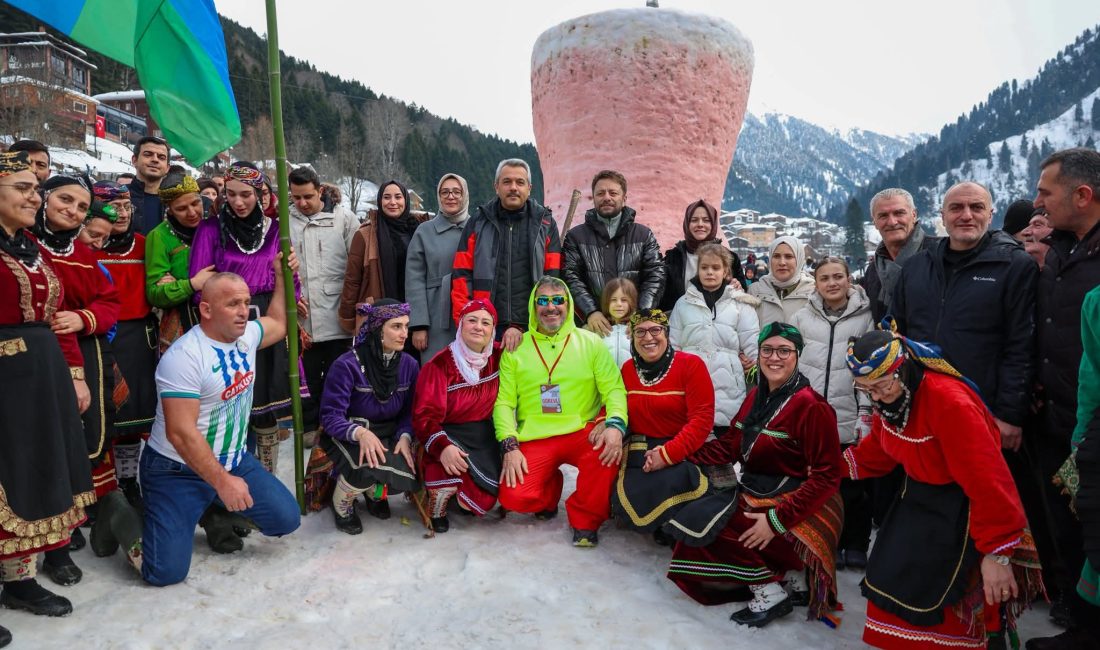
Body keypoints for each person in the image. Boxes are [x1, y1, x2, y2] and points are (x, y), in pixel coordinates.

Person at [843, 330, 1043, 649]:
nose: (876, 397)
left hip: (964, 509)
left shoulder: (950, 402)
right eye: (866, 390)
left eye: (881, 387)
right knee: (889, 581)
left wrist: (997, 554)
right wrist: (838, 465)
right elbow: (881, 450)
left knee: (942, 600)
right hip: (917, 501)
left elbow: (988, 480)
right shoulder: (893, 399)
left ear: (902, 369)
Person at [139, 256, 301, 586]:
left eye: (245, 302)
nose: (244, 311)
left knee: (286, 519)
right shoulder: (185, 356)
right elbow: (181, 433)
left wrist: (282, 277)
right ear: (207, 310)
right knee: (165, 574)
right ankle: (121, 520)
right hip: (177, 469)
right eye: (232, 304)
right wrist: (222, 482)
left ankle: (213, 507)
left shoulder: (246, 337)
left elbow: (279, 323)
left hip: (234, 460)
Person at [667, 322, 842, 628]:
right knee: (698, 519)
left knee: (714, 526)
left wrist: (777, 521)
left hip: (800, 501)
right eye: (767, 350)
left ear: (798, 355)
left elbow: (827, 477)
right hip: (760, 491)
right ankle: (788, 573)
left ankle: (769, 590)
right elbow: (729, 447)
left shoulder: (812, 406)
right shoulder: (755, 397)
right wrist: (678, 456)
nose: (775, 357)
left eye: (784, 351)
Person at [0, 152, 93, 632]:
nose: (33, 197)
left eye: (35, 189)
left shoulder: (30, 245)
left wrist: (73, 373)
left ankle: (19, 579)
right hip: (4, 379)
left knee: (30, 475)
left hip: (41, 376)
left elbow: (56, 319)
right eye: (22, 188)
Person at [31, 174, 121, 586]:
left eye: (81, 206)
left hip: (77, 354)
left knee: (67, 449)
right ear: (44, 198)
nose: (72, 210)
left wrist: (84, 318)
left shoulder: (84, 256)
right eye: (65, 200)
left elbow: (109, 301)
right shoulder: (24, 247)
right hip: (29, 360)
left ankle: (58, 544)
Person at [494, 277, 628, 547]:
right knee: (514, 497)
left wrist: (615, 424)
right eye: (542, 301)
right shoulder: (516, 347)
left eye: (558, 300)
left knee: (606, 452)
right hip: (537, 435)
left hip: (582, 431)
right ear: (533, 306)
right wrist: (509, 444)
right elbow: (504, 403)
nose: (551, 307)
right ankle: (548, 489)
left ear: (568, 304)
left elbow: (614, 389)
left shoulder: (590, 342)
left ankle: (585, 520)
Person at [1028, 148, 1100, 648]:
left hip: (1094, 426)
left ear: (1082, 194)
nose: (1037, 203)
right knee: (1070, 532)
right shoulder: (1060, 249)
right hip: (1057, 418)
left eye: (1045, 192)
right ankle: (1081, 625)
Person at [189, 162, 299, 474]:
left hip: (267, 319)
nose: (238, 202)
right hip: (224, 323)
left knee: (262, 408)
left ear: (259, 194)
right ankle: (225, 478)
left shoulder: (277, 231)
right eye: (231, 194)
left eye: (246, 195)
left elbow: (291, 285)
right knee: (229, 403)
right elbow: (200, 285)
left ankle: (265, 479)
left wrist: (290, 273)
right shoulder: (210, 231)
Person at [789, 256, 873, 569]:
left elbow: (870, 371)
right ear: (817, 283)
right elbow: (791, 366)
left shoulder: (865, 318)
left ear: (849, 279)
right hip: (812, 416)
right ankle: (828, 539)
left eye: (838, 276)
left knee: (852, 485)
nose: (832, 283)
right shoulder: (802, 318)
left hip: (847, 412)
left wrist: (866, 413)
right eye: (825, 278)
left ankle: (855, 542)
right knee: (815, 482)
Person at [610, 308, 720, 547]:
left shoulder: (691, 365)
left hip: (682, 447)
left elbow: (701, 419)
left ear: (667, 333)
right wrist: (606, 426)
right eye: (640, 331)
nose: (648, 337)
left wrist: (668, 454)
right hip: (640, 447)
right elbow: (614, 404)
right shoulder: (628, 369)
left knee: (674, 480)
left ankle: (671, 525)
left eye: (655, 330)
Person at [318, 300, 419, 534]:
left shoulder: (409, 365)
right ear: (377, 329)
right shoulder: (346, 365)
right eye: (396, 326)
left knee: (409, 468)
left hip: (389, 431)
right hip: (350, 434)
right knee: (366, 465)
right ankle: (342, 504)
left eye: (406, 326)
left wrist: (405, 435)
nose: (404, 333)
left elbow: (409, 411)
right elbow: (331, 416)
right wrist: (360, 433)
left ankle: (374, 493)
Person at [92, 179, 159, 508]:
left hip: (137, 336)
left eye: (125, 206)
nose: (119, 213)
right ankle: (100, 487)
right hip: (98, 336)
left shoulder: (145, 245)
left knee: (134, 414)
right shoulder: (90, 245)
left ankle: (129, 479)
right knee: (103, 415)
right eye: (110, 206)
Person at [450, 159, 562, 352]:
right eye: (507, 182)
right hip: (485, 324)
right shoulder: (478, 222)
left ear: (529, 188)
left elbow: (553, 279)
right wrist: (465, 320)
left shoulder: (544, 223)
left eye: (520, 182)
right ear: (496, 186)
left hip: (533, 324)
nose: (513, 188)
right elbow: (461, 275)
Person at [413, 299, 503, 532]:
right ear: (460, 325)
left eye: (486, 322)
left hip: (483, 435)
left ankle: (460, 494)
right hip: (447, 431)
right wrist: (443, 447)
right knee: (448, 467)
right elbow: (424, 417)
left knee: (481, 501)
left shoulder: (500, 356)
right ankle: (436, 497)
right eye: (471, 320)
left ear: (493, 329)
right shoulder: (439, 365)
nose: (478, 327)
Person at [287, 166, 357, 446]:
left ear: (320, 191)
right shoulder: (285, 221)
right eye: (296, 198)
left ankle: (334, 425)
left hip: (336, 314)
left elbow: (356, 265)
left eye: (307, 196)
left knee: (337, 376)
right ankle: (308, 426)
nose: (302, 203)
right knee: (306, 378)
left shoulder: (342, 218)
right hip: (303, 319)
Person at [669, 243, 760, 434]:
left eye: (716, 268)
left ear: (726, 271)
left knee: (723, 448)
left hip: (729, 386)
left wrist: (755, 365)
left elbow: (752, 341)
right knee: (692, 438)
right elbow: (673, 345)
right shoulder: (683, 304)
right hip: (690, 383)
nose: (710, 272)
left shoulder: (739, 304)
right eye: (704, 267)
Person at [561, 170, 665, 335]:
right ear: (593, 198)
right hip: (592, 329)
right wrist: (591, 312)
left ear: (624, 198)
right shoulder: (576, 237)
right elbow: (570, 277)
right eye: (600, 193)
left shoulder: (643, 235)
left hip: (634, 329)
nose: (607, 197)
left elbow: (655, 275)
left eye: (613, 193)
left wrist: (642, 313)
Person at [339, 180, 427, 337]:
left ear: (405, 200)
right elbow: (352, 280)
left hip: (415, 315)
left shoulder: (418, 230)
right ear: (380, 200)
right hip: (379, 312)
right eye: (387, 197)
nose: (392, 202)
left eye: (398, 197)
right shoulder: (365, 235)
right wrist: (347, 317)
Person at [146, 170, 215, 352]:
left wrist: (176, 283)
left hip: (219, 318)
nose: (192, 212)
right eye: (181, 209)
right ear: (169, 209)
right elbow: (155, 293)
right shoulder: (159, 236)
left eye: (195, 203)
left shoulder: (213, 227)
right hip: (183, 324)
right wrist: (192, 284)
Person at [406, 173, 472, 363]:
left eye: (456, 192)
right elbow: (414, 280)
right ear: (438, 196)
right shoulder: (424, 231)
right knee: (435, 372)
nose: (450, 196)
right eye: (445, 192)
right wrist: (419, 325)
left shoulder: (478, 228)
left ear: (465, 195)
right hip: (435, 314)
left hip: (469, 310)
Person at [860, 188, 936, 323]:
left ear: (914, 215)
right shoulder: (873, 270)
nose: (892, 222)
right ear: (875, 223)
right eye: (883, 216)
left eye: (899, 213)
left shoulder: (939, 254)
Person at [659, 199, 746, 312]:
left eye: (706, 220)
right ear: (687, 224)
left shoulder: (730, 258)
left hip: (720, 323)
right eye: (694, 220)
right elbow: (663, 298)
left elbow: (743, 292)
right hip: (681, 323)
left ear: (713, 224)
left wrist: (739, 287)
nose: (700, 224)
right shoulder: (673, 258)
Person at [748, 235, 815, 326]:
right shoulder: (754, 291)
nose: (782, 262)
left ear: (799, 260)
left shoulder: (814, 293)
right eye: (776, 256)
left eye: (788, 256)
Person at [127, 136, 170, 234]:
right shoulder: (119, 196)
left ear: (167, 168)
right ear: (134, 160)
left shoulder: (174, 202)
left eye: (161, 157)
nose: (155, 160)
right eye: (148, 154)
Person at [600, 276, 637, 368]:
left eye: (624, 300)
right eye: (613, 300)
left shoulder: (638, 329)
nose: (619, 304)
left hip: (631, 380)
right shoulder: (597, 330)